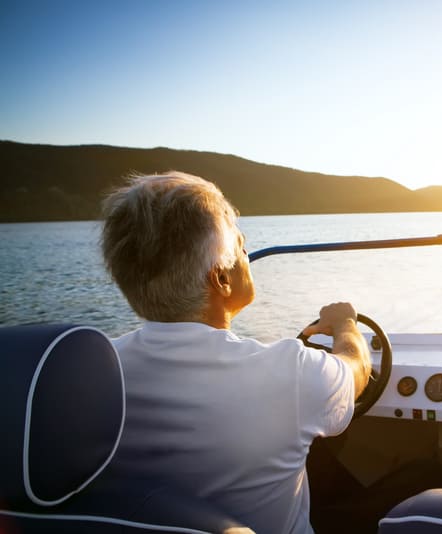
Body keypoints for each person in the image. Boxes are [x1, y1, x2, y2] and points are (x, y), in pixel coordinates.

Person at [101, 172, 372, 534]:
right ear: (222, 279)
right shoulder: (288, 372)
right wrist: (345, 324)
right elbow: (356, 371)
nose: (246, 255)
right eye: (241, 246)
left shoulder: (95, 374)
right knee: (423, 474)